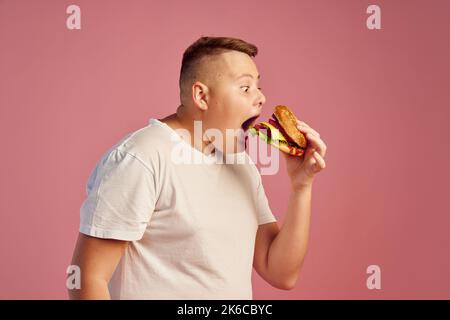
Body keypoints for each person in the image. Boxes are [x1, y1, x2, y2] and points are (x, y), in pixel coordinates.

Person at [68, 36, 327, 300]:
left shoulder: (240, 165)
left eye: (258, 86)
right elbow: (86, 278)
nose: (261, 97)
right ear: (201, 96)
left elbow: (281, 273)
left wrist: (301, 186)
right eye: (245, 87)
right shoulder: (142, 157)